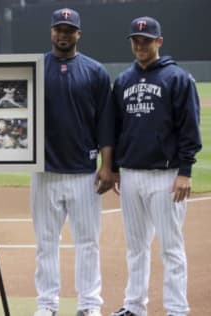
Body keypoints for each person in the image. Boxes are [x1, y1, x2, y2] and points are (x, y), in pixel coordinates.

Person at [110, 16, 201, 316]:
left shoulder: (177, 78)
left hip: (166, 176)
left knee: (170, 248)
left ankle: (177, 310)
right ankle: (135, 307)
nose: (140, 45)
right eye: (136, 40)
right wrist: (115, 167)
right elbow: (116, 128)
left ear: (158, 42)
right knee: (136, 247)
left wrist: (185, 171)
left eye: (146, 40)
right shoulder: (123, 80)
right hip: (132, 175)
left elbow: (189, 127)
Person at [31, 8, 114, 316]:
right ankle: (46, 304)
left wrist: (107, 166)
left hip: (83, 172)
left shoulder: (95, 71)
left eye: (69, 30)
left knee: (88, 242)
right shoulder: (35, 67)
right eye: (58, 29)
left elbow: (106, 123)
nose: (63, 34)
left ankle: (90, 304)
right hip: (45, 172)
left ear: (79, 34)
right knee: (46, 243)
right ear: (51, 32)